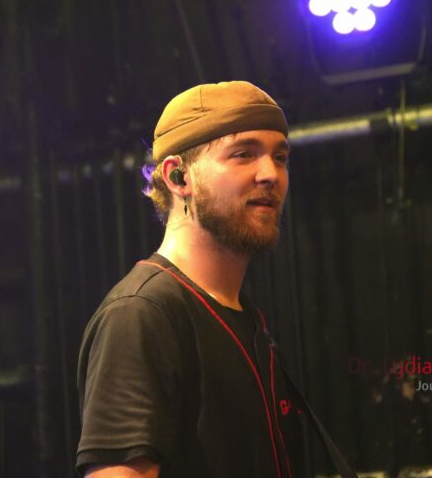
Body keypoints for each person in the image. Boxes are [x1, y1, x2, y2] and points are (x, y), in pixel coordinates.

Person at [75, 81, 305, 478]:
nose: (271, 173)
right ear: (178, 177)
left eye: (280, 157)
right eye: (243, 154)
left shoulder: (246, 317)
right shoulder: (141, 315)